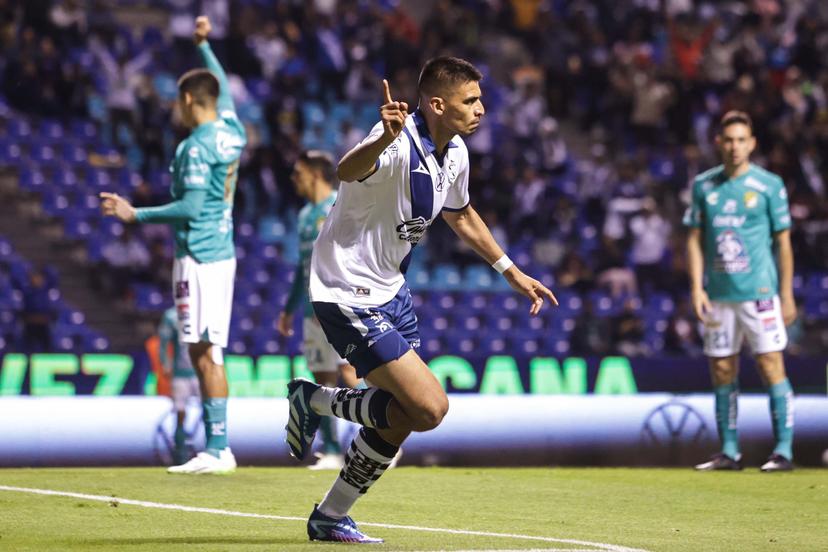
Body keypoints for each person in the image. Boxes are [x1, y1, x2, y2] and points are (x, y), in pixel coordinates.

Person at [285, 57, 557, 543]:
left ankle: (330, 515)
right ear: (437, 104)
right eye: (470, 100)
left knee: (407, 414)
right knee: (430, 408)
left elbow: (463, 216)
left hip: (392, 289)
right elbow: (349, 170)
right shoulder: (395, 139)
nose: (481, 109)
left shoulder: (456, 155)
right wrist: (382, 138)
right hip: (346, 287)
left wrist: (512, 272)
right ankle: (316, 401)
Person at [100, 15, 246, 475]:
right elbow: (217, 83)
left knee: (203, 352)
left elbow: (189, 206)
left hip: (199, 255)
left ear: (187, 101)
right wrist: (204, 47)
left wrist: (135, 213)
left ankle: (218, 449)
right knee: (208, 351)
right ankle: (218, 447)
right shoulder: (231, 130)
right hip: (220, 250)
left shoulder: (194, 147)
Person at [684, 111, 796, 473]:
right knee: (721, 369)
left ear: (752, 143)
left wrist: (787, 293)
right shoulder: (704, 185)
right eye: (728, 140)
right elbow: (694, 239)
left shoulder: (769, 185)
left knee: (770, 364)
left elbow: (784, 243)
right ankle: (729, 452)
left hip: (759, 293)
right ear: (719, 142)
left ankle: (783, 451)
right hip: (718, 295)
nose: (734, 146)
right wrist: (697, 287)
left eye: (740, 140)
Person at [277, 150, 359, 471]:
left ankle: (384, 439)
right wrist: (288, 309)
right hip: (313, 310)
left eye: (298, 172)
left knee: (351, 374)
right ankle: (334, 450)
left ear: (314, 173)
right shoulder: (303, 216)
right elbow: (302, 268)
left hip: (341, 304)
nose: (294, 179)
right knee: (322, 378)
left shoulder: (341, 204)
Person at [158, 306, 199, 465]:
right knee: (180, 413)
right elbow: (163, 342)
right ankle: (180, 453)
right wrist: (165, 363)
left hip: (200, 372)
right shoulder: (172, 315)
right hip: (181, 373)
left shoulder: (202, 311)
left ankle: (210, 448)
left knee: (210, 408)